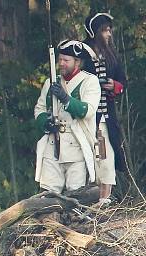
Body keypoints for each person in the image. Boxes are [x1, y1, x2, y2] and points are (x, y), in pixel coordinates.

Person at [34, 40, 100, 194]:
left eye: (66, 60)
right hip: (52, 145)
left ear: (77, 62)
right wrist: (46, 122)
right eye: (60, 59)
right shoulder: (51, 82)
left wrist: (65, 98)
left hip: (76, 145)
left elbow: (87, 110)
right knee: (48, 193)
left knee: (76, 194)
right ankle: (50, 217)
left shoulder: (89, 81)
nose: (61, 63)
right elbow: (40, 109)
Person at [83, 13, 127, 206]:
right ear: (94, 32)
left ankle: (104, 199)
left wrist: (113, 85)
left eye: (109, 30)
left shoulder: (111, 55)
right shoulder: (82, 53)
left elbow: (123, 82)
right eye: (104, 30)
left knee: (106, 156)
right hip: (85, 116)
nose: (108, 34)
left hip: (105, 117)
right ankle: (85, 199)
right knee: (87, 158)